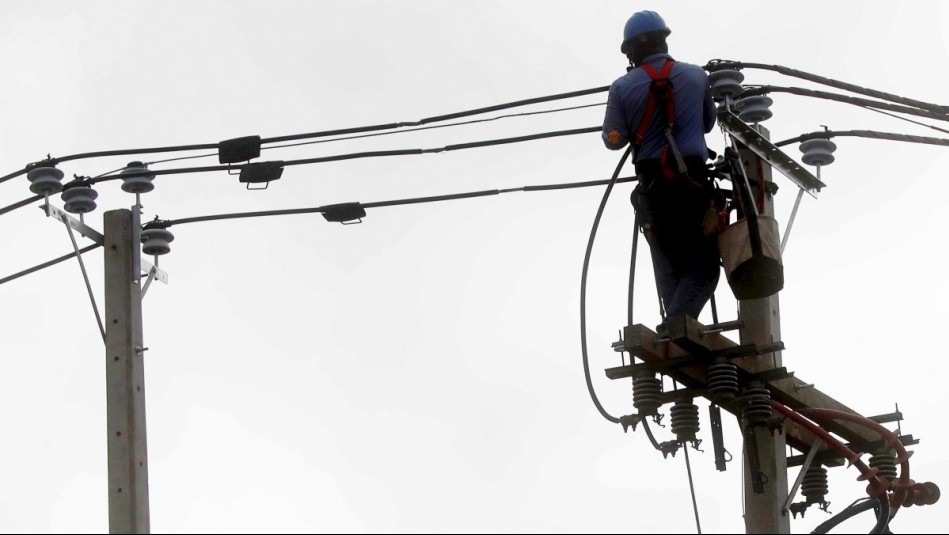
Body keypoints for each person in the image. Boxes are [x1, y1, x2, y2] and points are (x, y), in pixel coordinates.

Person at [602, 10, 720, 326]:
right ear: (663, 40)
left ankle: (675, 322)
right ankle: (678, 323)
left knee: (669, 263)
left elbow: (613, 140)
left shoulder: (622, 87)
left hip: (654, 191)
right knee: (704, 267)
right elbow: (708, 123)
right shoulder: (697, 77)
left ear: (631, 51)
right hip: (693, 186)